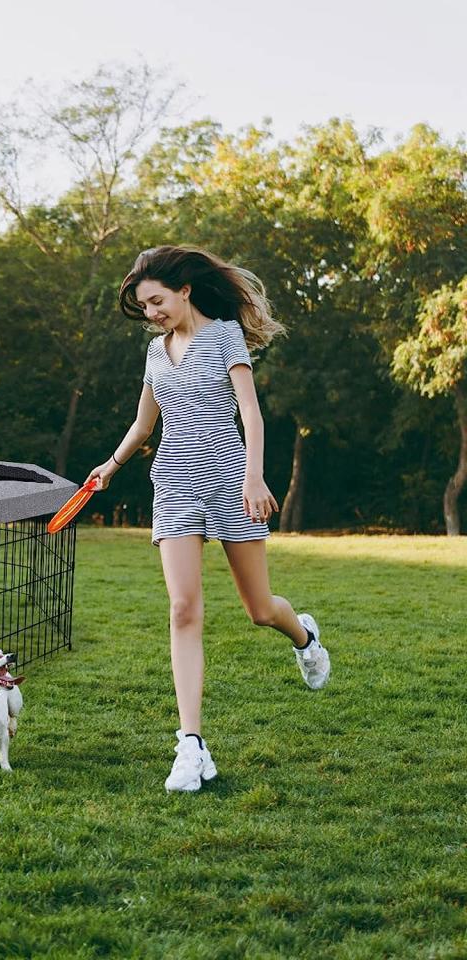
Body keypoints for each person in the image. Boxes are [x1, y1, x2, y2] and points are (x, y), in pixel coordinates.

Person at [85, 244, 330, 793]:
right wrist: (111, 465)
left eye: (158, 300)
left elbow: (250, 411)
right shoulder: (154, 352)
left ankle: (304, 635)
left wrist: (254, 476)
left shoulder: (224, 336)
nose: (152, 313)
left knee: (259, 609)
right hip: (173, 487)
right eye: (144, 306)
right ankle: (191, 746)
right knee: (183, 608)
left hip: (229, 482)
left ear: (185, 290)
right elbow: (145, 422)